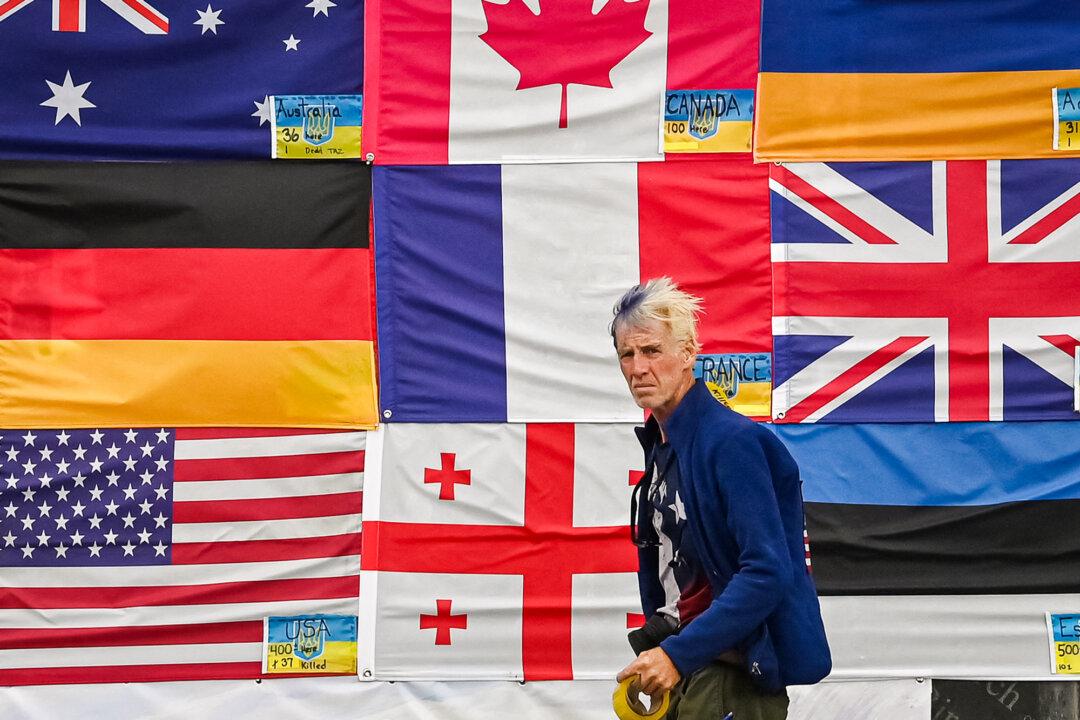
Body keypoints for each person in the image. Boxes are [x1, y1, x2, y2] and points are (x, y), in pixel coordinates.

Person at [611, 278, 831, 720]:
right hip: (691, 666)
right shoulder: (665, 445)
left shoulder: (732, 442)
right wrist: (668, 652)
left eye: (652, 351)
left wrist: (677, 655)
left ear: (689, 353)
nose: (637, 367)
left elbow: (768, 572)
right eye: (626, 355)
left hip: (728, 679)